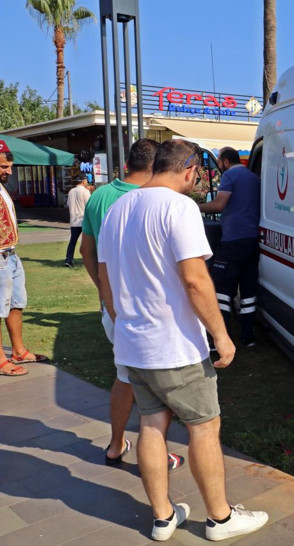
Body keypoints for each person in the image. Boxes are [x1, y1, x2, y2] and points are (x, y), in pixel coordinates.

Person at [97, 140, 268, 541]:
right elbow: (195, 280)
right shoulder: (180, 207)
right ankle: (220, 519)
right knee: (204, 427)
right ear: (190, 170)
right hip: (174, 346)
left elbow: (105, 277)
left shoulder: (118, 207)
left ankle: (163, 517)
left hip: (134, 343)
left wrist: (123, 322)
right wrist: (221, 335)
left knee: (151, 424)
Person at [79, 138, 183, 470]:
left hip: (113, 307)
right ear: (155, 167)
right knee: (160, 385)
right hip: (153, 310)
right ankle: (156, 453)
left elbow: (86, 250)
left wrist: (103, 290)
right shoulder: (160, 199)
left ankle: (115, 444)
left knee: (125, 376)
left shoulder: (100, 196)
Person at [198, 147, 261, 347]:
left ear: (225, 162)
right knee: (248, 290)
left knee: (221, 289)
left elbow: (218, 205)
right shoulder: (254, 178)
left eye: (219, 162)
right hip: (253, 240)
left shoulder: (229, 176)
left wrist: (194, 207)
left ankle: (221, 338)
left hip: (233, 240)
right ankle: (248, 336)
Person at [0, 142, 47, 377]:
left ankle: (18, 351)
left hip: (10, 254)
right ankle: (0, 360)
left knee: (16, 303)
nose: (9, 171)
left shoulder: (2, 187)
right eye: (4, 167)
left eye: (10, 166)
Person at [64, 178, 90, 267]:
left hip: (74, 220)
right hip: (84, 220)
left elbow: (68, 204)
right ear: (83, 181)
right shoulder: (85, 192)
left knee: (73, 241)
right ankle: (89, 259)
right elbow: (89, 204)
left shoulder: (71, 191)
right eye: (86, 181)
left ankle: (68, 259)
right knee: (88, 241)